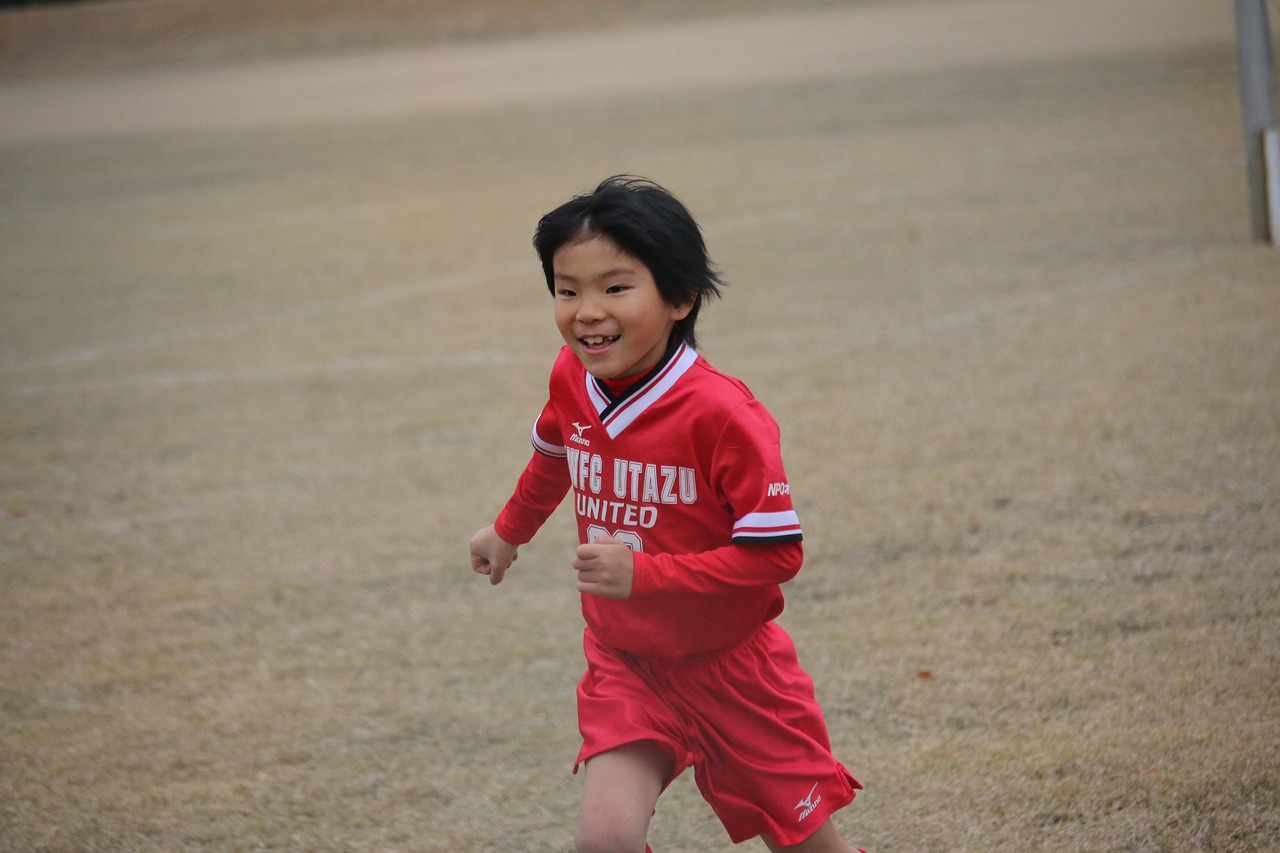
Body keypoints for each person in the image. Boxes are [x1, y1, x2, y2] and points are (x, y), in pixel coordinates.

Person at [469, 176, 865, 853]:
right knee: (605, 838)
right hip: (626, 661)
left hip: (736, 673)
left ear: (680, 298)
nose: (587, 311)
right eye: (567, 290)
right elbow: (555, 455)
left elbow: (777, 556)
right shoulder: (571, 376)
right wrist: (509, 530)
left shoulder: (724, 414)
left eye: (615, 287)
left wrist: (646, 576)